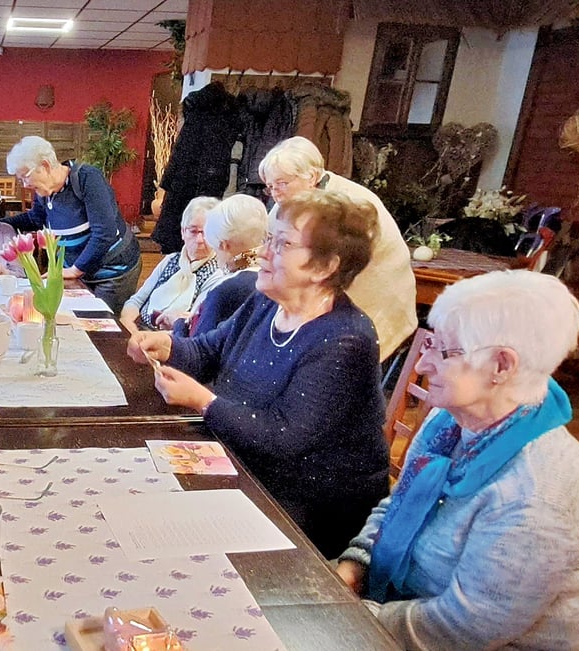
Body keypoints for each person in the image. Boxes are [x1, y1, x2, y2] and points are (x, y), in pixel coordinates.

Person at [337, 270, 579, 650]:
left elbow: (464, 628)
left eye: (444, 351)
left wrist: (350, 615)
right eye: (431, 342)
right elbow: (399, 501)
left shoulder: (538, 496)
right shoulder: (449, 421)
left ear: (502, 366)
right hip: (400, 608)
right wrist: (353, 566)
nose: (422, 364)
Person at [129, 189, 389, 557]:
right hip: (246, 465)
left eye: (282, 244)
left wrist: (203, 400)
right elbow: (209, 350)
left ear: (325, 266)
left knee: (159, 533)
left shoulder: (345, 339)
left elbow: (283, 437)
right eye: (269, 239)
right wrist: (168, 346)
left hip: (305, 504)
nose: (263, 252)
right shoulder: (265, 299)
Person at [259, 136, 416, 360]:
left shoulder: (349, 204)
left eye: (282, 183)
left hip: (374, 294)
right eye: (270, 186)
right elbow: (264, 247)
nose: (276, 193)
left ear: (311, 176)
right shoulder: (286, 206)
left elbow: (335, 266)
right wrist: (237, 262)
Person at [3, 136, 141, 313]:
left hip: (112, 273)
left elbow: (104, 233)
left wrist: (76, 270)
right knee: (77, 320)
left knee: (101, 327)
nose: (24, 184)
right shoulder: (45, 192)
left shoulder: (87, 178)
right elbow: (34, 219)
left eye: (25, 177)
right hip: (78, 272)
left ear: (45, 166)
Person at [170, 194, 268, 337]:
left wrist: (179, 324)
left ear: (224, 245)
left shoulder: (227, 288)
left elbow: (198, 350)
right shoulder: (273, 276)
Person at [119, 196, 221, 332]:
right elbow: (136, 301)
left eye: (206, 232)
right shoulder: (171, 260)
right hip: (139, 331)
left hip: (170, 342)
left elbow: (193, 326)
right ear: (183, 232)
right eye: (193, 231)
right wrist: (129, 325)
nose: (199, 240)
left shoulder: (217, 274)